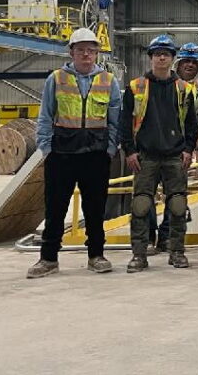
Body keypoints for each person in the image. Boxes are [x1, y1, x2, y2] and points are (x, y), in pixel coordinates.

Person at [28, 28, 122, 278]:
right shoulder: (56, 79)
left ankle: (96, 255)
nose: (86, 55)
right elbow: (45, 116)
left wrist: (110, 149)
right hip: (61, 154)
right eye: (81, 50)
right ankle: (48, 259)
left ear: (96, 53)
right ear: (71, 52)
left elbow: (115, 119)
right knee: (55, 208)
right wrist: (46, 149)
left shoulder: (108, 81)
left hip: (95, 155)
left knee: (95, 209)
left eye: (91, 50)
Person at [120, 35, 198, 272]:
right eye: (157, 54)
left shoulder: (184, 89)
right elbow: (125, 122)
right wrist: (130, 151)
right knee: (141, 206)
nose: (161, 57)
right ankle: (139, 255)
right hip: (146, 156)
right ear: (151, 57)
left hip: (175, 156)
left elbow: (192, 123)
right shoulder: (135, 87)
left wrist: (188, 149)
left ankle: (177, 252)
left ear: (173, 58)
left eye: (166, 53)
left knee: (177, 206)